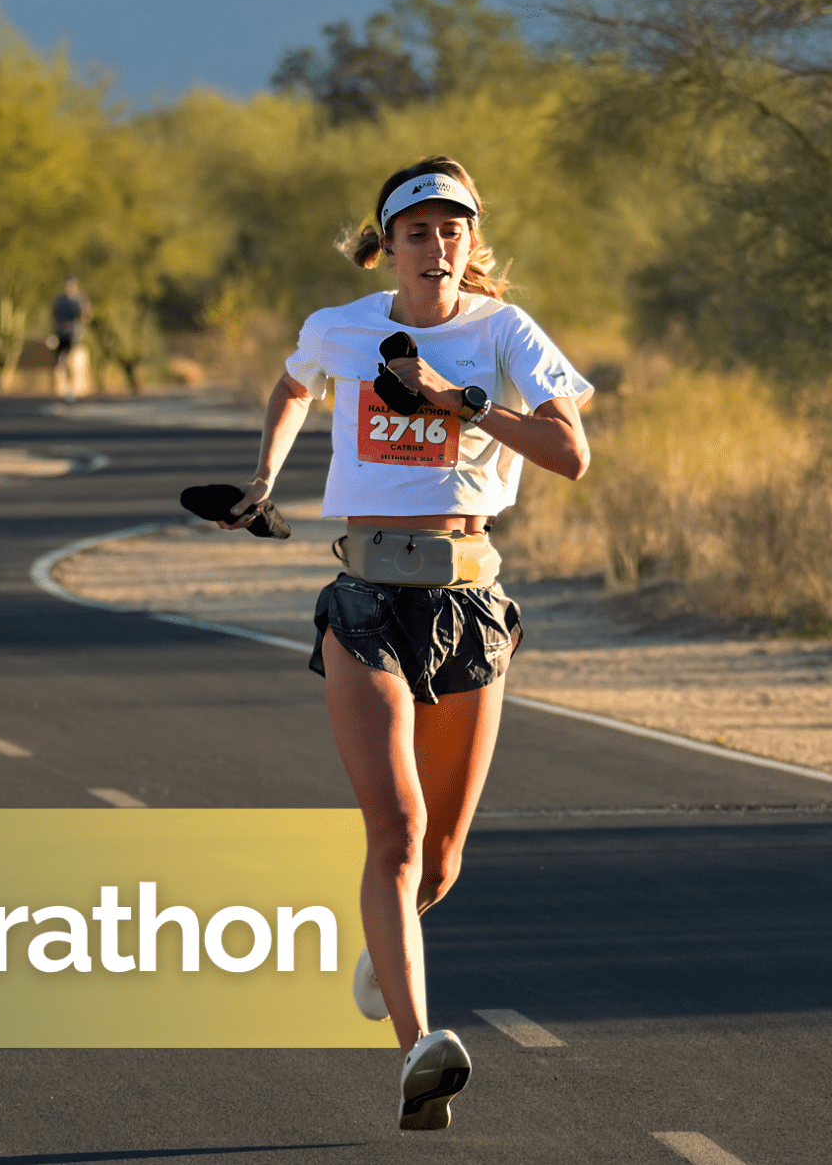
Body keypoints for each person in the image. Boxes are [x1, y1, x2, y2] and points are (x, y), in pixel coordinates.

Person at [225, 156, 591, 1131]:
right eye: (420, 231)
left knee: (440, 861)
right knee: (394, 833)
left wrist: (455, 400)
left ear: (473, 243)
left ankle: (383, 953)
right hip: (365, 599)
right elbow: (291, 386)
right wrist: (264, 478)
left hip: (470, 599)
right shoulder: (339, 329)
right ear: (389, 243)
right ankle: (420, 1050)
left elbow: (571, 455)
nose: (439, 246)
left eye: (454, 230)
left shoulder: (505, 332)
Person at [50, 276, 92, 402]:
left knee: (73, 359)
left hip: (75, 334)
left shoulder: (80, 299)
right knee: (62, 361)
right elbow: (53, 316)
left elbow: (87, 315)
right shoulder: (60, 300)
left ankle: (75, 387)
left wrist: (80, 319)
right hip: (61, 333)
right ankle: (64, 388)